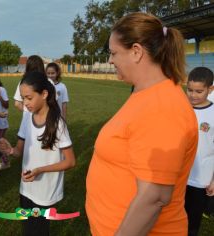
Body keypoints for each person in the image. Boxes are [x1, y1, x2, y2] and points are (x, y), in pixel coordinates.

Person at [85, 12, 198, 235]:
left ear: (136, 52)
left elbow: (154, 197)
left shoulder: (163, 107)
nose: (110, 60)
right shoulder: (145, 95)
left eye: (113, 53)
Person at [0, 71, 76, 236]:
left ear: (44, 94)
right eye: (23, 98)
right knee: (28, 229)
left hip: (45, 192)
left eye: (29, 98)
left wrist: (40, 170)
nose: (25, 103)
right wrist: (10, 150)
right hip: (26, 188)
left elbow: (70, 162)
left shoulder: (57, 124)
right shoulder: (27, 118)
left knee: (38, 231)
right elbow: (19, 151)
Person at [185, 67, 214, 236]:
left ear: (210, 89)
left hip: (200, 180)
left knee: (192, 225)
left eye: (199, 91)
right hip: (177, 177)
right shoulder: (181, 108)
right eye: (189, 90)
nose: (193, 95)